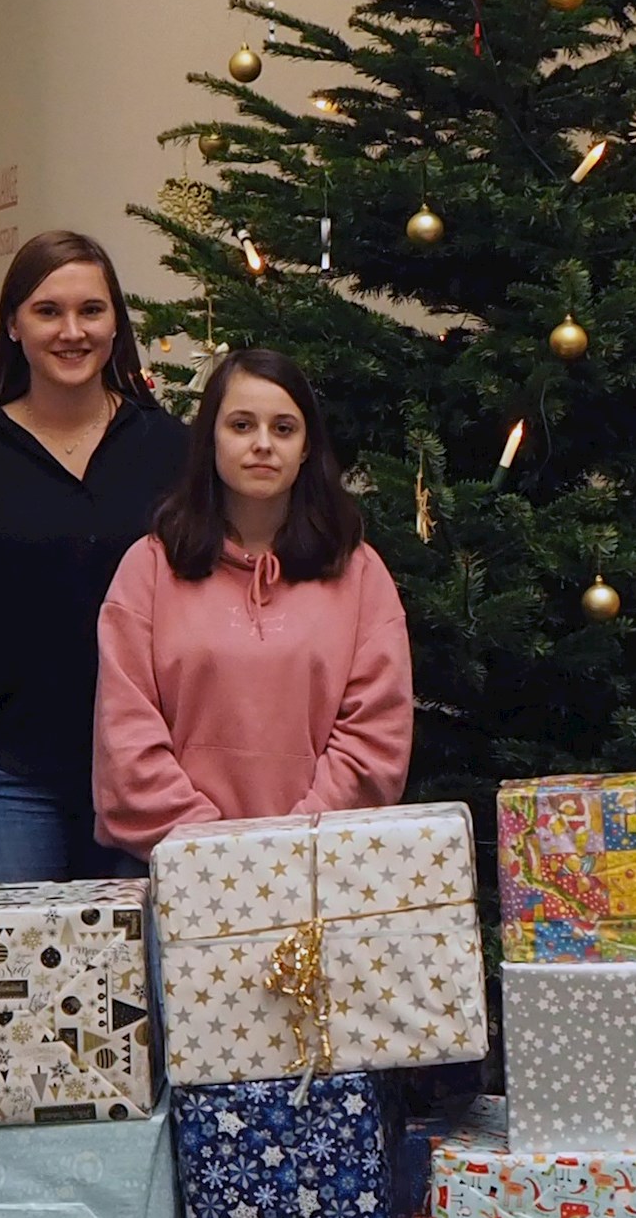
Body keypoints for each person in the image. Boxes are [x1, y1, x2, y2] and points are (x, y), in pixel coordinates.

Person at [0, 230, 190, 881]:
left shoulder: (172, 450)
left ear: (116, 322)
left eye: (91, 310)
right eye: (47, 310)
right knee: (12, 978)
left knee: (142, 979)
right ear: (12, 324)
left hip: (151, 769)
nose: (72, 330)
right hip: (13, 775)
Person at [91, 347, 412, 855]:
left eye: (284, 429)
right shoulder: (149, 568)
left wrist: (291, 845)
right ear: (210, 439)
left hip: (320, 867)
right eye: (241, 426)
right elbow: (126, 736)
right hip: (183, 867)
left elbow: (375, 738)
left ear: (307, 448)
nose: (263, 444)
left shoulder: (358, 572)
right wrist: (215, 849)